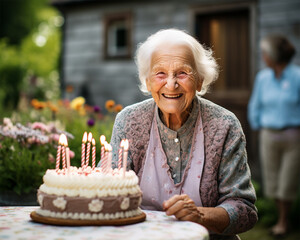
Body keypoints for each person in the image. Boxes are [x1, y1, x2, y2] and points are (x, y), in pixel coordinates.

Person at [110, 29, 257, 240]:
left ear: (199, 80)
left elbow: (245, 211)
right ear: (148, 81)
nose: (171, 84)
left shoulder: (224, 124)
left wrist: (200, 216)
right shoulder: (130, 121)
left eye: (182, 73)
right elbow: (111, 193)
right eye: (160, 73)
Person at [248, 34, 300, 237]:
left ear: (274, 55)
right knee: (272, 181)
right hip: (269, 135)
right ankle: (281, 218)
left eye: (265, 52)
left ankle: (284, 221)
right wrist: (258, 125)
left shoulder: (297, 76)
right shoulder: (262, 78)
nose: (263, 56)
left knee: (287, 181)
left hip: (293, 137)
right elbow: (255, 105)